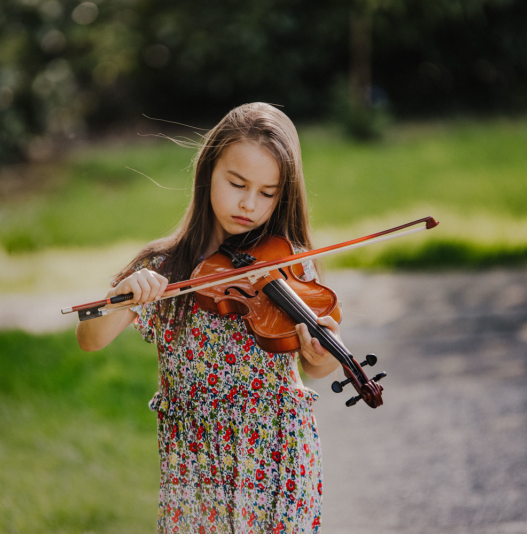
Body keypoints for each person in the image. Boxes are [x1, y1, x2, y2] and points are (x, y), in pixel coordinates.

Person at [76, 102, 341, 533]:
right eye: (236, 184)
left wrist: (321, 354)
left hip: (279, 457)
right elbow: (90, 338)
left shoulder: (287, 262)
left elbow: (316, 365)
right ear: (208, 171)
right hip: (196, 464)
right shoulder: (165, 268)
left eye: (267, 193)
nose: (249, 203)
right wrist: (122, 297)